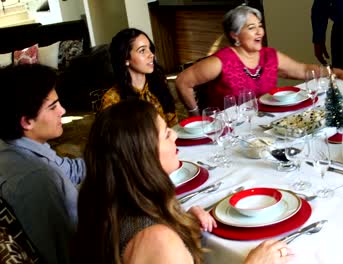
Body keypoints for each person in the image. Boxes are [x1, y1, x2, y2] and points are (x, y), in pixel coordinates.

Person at [74, 100, 293, 264]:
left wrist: (180, 223)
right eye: (166, 134)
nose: (175, 136)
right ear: (144, 155)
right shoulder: (157, 239)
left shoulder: (107, 204)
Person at [176, 4, 343, 115]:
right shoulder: (221, 61)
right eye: (251, 28)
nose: (259, 32)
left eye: (260, 26)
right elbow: (183, 81)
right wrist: (195, 114)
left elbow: (302, 70)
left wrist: (334, 71)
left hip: (264, 125)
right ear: (235, 35)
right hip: (229, 128)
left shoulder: (269, 55)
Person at [0, 64, 86, 264]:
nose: (63, 111)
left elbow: (70, 170)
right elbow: (68, 254)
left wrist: (116, 159)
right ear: (27, 121)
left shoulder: (22, 143)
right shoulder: (37, 181)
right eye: (53, 106)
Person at [100, 28, 178, 127]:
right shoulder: (112, 99)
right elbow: (114, 140)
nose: (151, 55)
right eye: (142, 50)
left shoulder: (158, 83)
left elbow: (173, 124)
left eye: (150, 49)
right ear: (125, 59)